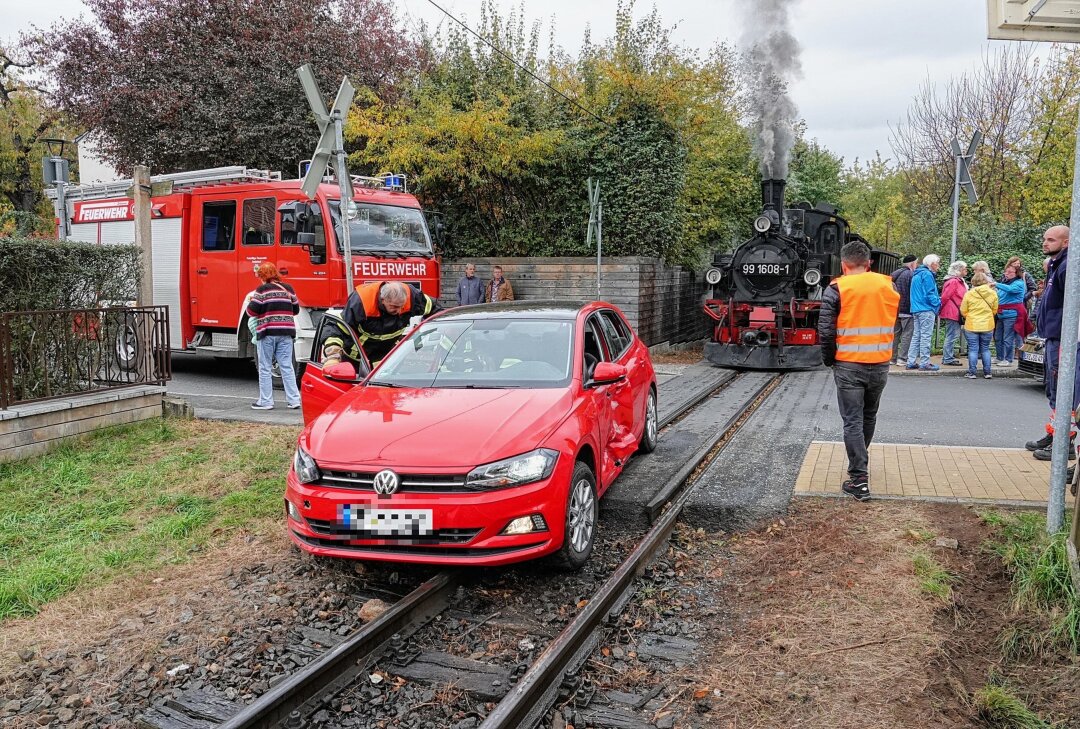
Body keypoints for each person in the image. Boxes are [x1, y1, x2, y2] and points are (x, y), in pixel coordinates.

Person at [819, 241, 900, 501]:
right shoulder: (888, 285)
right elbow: (893, 323)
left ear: (843, 265)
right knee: (869, 416)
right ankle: (860, 467)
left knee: (852, 420)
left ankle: (859, 478)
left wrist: (829, 359)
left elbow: (826, 331)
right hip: (880, 363)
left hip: (848, 364)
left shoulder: (836, 289)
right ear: (869, 264)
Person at [1027, 225, 1080, 462]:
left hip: (1064, 338)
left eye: (1051, 239)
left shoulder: (1068, 266)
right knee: (1055, 389)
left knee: (1064, 390)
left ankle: (1063, 442)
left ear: (1066, 242)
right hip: (1055, 335)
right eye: (1044, 239)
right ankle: (1056, 434)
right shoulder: (1057, 264)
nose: (1045, 243)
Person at [342, 281, 443, 365]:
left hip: (386, 359)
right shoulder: (361, 302)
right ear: (383, 300)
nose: (399, 311)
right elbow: (339, 328)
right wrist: (332, 355)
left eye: (401, 306)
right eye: (394, 306)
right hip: (356, 359)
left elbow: (436, 309)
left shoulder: (412, 297)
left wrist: (427, 330)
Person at [246, 262, 301, 410]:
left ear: (263, 277)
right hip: (286, 333)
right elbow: (296, 310)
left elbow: (251, 312)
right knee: (287, 366)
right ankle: (294, 400)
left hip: (267, 333)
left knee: (265, 367)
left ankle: (266, 401)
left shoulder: (262, 290)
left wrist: (253, 304)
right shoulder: (288, 289)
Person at [906, 253, 942, 371]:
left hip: (916, 309)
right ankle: (924, 362)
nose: (938, 266)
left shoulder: (917, 274)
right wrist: (937, 303)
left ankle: (911, 361)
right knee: (926, 336)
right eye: (937, 263)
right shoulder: (927, 275)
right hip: (926, 309)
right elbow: (930, 293)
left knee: (916, 335)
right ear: (932, 264)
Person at [960, 272, 998, 380]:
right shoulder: (992, 293)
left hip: (972, 324)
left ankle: (972, 372)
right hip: (987, 325)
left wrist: (970, 316)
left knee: (973, 349)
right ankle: (987, 372)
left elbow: (963, 310)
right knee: (985, 349)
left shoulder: (969, 293)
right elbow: (995, 310)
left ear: (973, 281)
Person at [993, 260, 1027, 367]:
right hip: (1001, 314)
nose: (1006, 274)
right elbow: (999, 295)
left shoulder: (1019, 283)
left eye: (1010, 272)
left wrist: (996, 284)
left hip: (1012, 315)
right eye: (1006, 272)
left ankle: (1008, 359)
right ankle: (999, 357)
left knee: (1008, 338)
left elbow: (1010, 290)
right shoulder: (1005, 283)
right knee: (998, 337)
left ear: (1016, 273)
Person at [939, 260, 968, 366]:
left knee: (951, 334)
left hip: (952, 310)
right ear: (959, 270)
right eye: (964, 269)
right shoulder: (954, 282)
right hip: (953, 311)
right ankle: (947, 358)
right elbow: (945, 296)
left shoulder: (955, 281)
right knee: (952, 335)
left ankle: (947, 357)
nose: (966, 271)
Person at [891, 254, 917, 365]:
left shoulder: (893, 275)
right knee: (907, 334)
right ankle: (902, 358)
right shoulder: (911, 275)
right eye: (916, 263)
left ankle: (892, 358)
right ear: (912, 264)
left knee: (895, 334)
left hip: (894, 309)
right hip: (907, 310)